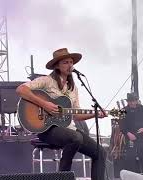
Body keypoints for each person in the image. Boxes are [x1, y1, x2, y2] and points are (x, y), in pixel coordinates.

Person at [16, 48, 107, 180]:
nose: (70, 65)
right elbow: (21, 89)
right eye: (65, 62)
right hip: (48, 129)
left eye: (71, 62)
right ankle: (63, 177)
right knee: (76, 137)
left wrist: (95, 114)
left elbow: (75, 115)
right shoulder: (46, 81)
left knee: (101, 153)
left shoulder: (73, 87)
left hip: (69, 128)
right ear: (57, 66)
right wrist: (44, 104)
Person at [119, 92, 143, 173]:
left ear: (137, 101)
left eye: (134, 100)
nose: (132, 103)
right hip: (129, 137)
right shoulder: (123, 110)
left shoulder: (142, 108)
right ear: (128, 101)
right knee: (130, 158)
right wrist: (128, 134)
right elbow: (121, 125)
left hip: (141, 136)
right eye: (130, 101)